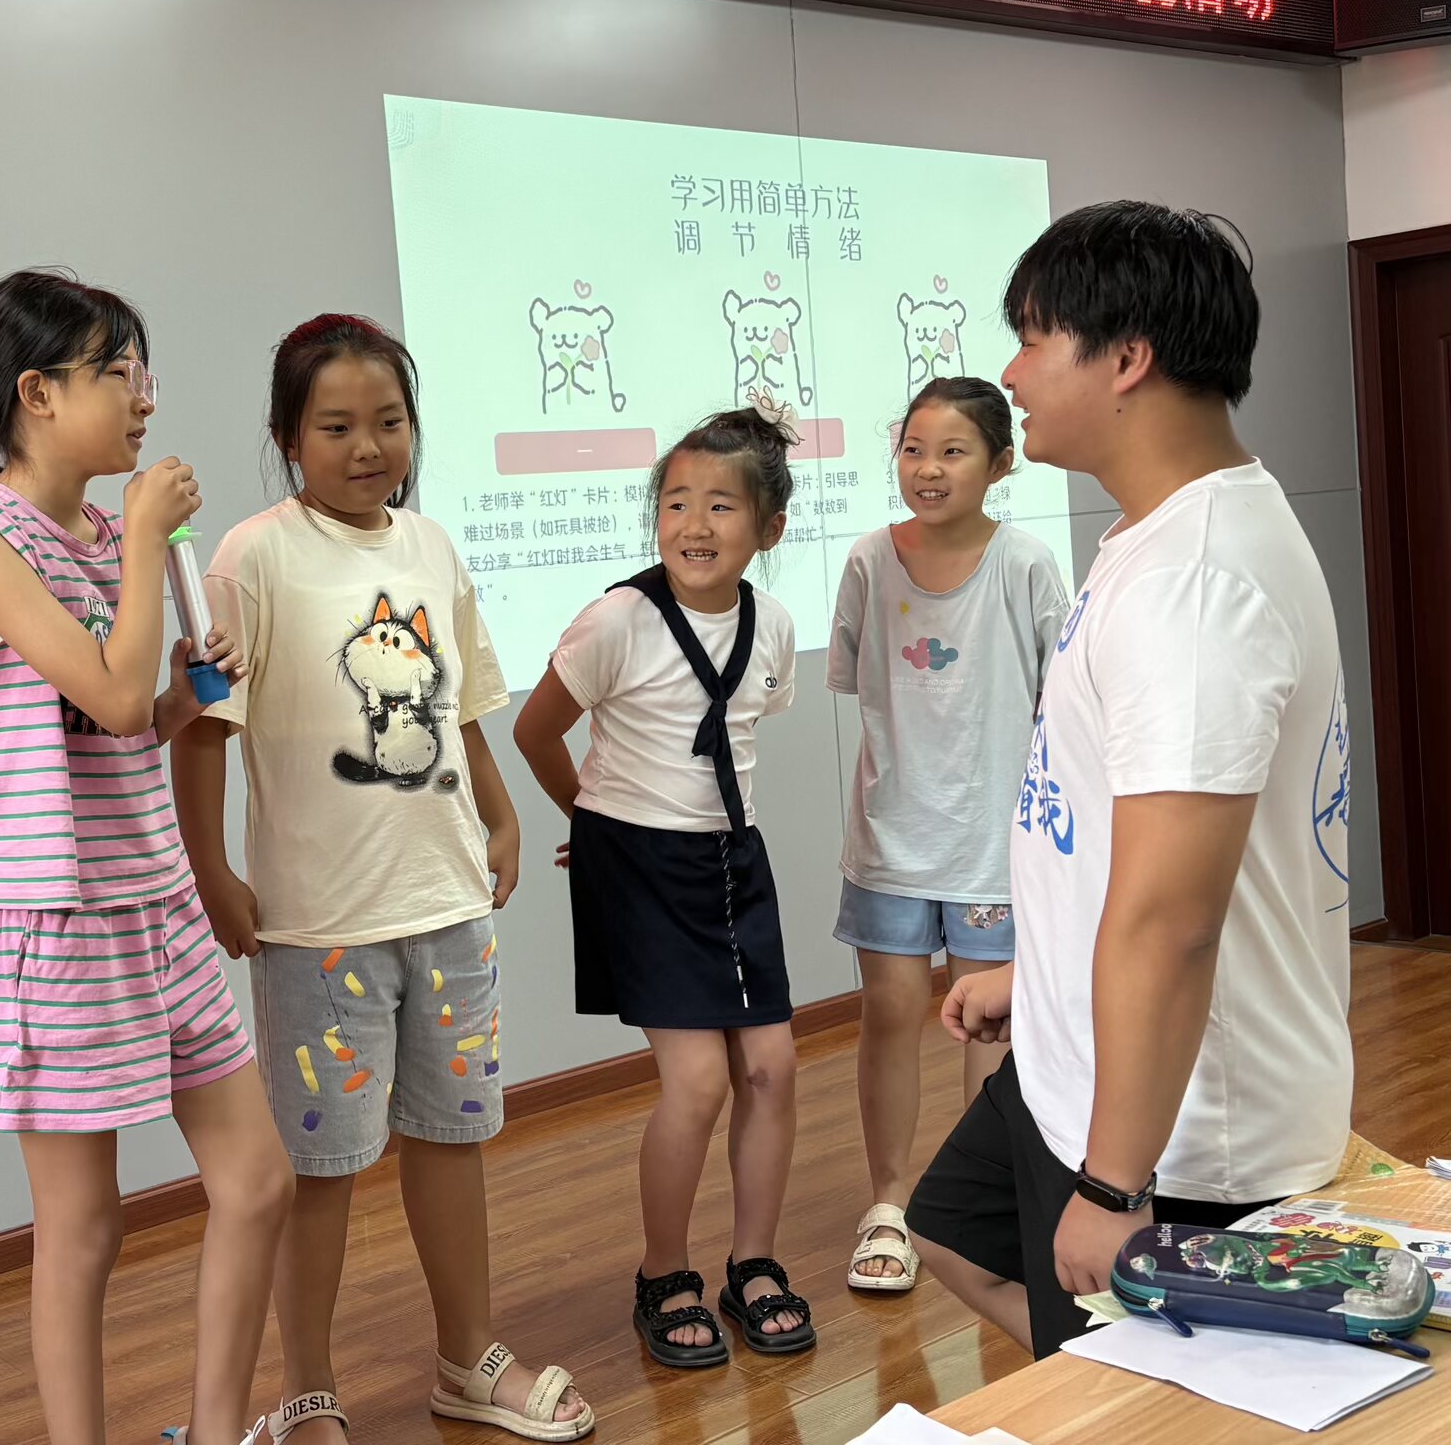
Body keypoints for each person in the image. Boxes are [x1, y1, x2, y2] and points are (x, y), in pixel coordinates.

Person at [905, 202, 1355, 1358]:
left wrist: (1114, 1188)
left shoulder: (1191, 587)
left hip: (1182, 1133)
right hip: (1078, 1065)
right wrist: (1044, 971)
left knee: (1129, 1396)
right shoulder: (1162, 537)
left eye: (1032, 339)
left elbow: (1170, 920)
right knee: (947, 1232)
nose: (1012, 374)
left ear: (1128, 358)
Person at [171, 314, 592, 1445]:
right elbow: (202, 729)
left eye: (389, 421)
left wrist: (499, 812)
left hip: (447, 906)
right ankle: (306, 1390)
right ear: (287, 438)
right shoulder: (251, 557)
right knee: (320, 1169)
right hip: (320, 928)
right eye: (336, 426)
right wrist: (211, 871)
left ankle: (467, 1359)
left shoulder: (432, 546)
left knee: (453, 1142)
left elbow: (462, 707)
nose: (368, 447)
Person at [0, 270, 293, 1445]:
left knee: (257, 1180)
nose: (145, 398)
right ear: (37, 393)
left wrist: (186, 693)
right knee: (83, 1227)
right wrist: (139, 545)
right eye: (119, 372)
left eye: (144, 373)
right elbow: (112, 696)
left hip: (154, 898)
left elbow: (126, 714)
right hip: (59, 916)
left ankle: (215, 1433)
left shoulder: (97, 534)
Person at [514, 409, 815, 1370]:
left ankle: (753, 1262)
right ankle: (663, 1273)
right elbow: (533, 731)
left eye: (720, 505)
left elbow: (742, 731)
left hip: (733, 862)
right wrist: (591, 825)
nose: (693, 523)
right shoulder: (617, 620)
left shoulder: (773, 624)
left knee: (770, 1068)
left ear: (767, 527)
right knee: (694, 1082)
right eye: (675, 503)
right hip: (638, 865)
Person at [830, 378, 1069, 1293]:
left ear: (1000, 464)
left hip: (993, 843)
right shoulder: (867, 560)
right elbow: (856, 680)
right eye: (912, 449)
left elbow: (1061, 700)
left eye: (952, 451)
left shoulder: (1026, 564)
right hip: (890, 838)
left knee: (988, 1026)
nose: (926, 469)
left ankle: (987, 1208)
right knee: (888, 1017)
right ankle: (887, 1207)